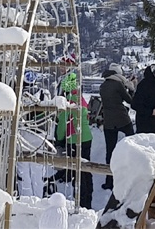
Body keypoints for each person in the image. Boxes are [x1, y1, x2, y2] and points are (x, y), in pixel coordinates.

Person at [53, 72, 93, 209]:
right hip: (86, 137)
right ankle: (88, 199)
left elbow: (62, 124)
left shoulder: (68, 102)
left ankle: (81, 202)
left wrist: (58, 140)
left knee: (77, 169)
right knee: (86, 168)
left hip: (74, 138)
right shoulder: (80, 98)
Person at [99, 63, 135, 189]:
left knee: (110, 151)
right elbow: (130, 100)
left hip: (108, 121)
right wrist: (131, 87)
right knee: (133, 143)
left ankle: (109, 180)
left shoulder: (102, 86)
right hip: (122, 119)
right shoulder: (118, 84)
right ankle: (132, 175)